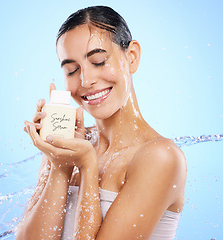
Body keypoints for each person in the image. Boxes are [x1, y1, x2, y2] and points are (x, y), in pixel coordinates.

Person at [16, 5, 187, 240]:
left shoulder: (160, 157)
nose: (86, 80)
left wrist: (88, 164)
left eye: (98, 61)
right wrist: (59, 166)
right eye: (72, 70)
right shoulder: (69, 146)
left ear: (132, 56)